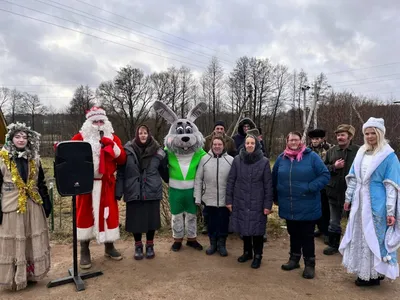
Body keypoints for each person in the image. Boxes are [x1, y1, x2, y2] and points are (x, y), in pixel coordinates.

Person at [340, 117, 400, 286]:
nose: (369, 136)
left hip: (377, 205)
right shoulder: (361, 152)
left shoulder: (389, 157)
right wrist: (348, 197)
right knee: (360, 234)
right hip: (360, 203)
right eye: (367, 133)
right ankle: (365, 270)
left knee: (375, 237)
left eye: (373, 132)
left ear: (380, 133)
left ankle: (375, 274)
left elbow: (391, 187)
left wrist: (390, 211)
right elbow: (353, 178)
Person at [71, 106, 127, 269]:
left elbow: (122, 159)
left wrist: (112, 147)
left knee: (108, 215)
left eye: (101, 121)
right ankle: (84, 249)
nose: (99, 124)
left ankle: (109, 247)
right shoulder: (80, 137)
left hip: (106, 184)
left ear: (106, 122)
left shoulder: (113, 138)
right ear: (89, 122)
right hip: (86, 184)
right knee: (85, 215)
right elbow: (69, 155)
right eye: (95, 121)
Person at [0, 122, 52, 291]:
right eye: (17, 136)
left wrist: (46, 201)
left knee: (30, 240)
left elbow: (41, 182)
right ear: (11, 138)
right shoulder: (2, 158)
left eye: (24, 137)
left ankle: (30, 274)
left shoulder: (34, 159)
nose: (21, 140)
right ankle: (15, 277)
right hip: (11, 205)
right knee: (14, 241)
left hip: (32, 205)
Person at [272, 131, 330, 279]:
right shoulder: (281, 158)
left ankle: (310, 264)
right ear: (287, 141)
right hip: (289, 204)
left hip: (307, 204)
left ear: (301, 141)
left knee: (307, 236)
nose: (293, 142)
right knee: (293, 233)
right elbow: (274, 179)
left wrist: (310, 187)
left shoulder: (311, 157)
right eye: (291, 140)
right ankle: (294, 259)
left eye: (296, 140)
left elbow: (325, 175)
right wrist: (275, 197)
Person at [116, 125, 168, 260]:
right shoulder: (127, 150)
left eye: (145, 133)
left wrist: (173, 181)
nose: (143, 135)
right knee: (135, 220)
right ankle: (138, 246)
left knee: (152, 219)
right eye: (140, 133)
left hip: (152, 189)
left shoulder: (159, 151)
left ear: (149, 134)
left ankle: (150, 245)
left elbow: (164, 171)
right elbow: (121, 172)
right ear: (136, 135)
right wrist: (118, 191)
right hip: (133, 189)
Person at [226, 134, 273, 269]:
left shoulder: (264, 162)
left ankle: (258, 255)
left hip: (257, 202)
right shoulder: (237, 160)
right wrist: (229, 200)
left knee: (257, 230)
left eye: (252, 143)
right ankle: (247, 252)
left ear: (256, 145)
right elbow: (231, 181)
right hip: (240, 199)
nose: (250, 145)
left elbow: (268, 185)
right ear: (244, 145)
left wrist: (267, 205)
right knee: (244, 228)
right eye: (248, 143)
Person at [323, 124, 359, 256]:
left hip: (354, 194)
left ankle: (352, 247)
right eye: (338, 135)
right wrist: (334, 166)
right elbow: (322, 169)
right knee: (333, 221)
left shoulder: (359, 151)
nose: (340, 137)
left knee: (353, 221)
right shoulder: (331, 151)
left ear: (349, 136)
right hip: (334, 191)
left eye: (342, 135)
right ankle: (333, 245)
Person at [195, 136, 233, 256]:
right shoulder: (204, 159)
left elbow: (234, 181)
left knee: (223, 223)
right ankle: (213, 244)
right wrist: (198, 197)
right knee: (211, 223)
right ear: (211, 146)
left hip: (224, 200)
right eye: (215, 144)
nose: (217, 146)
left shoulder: (230, 160)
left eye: (219, 144)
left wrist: (233, 198)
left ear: (223, 146)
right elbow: (198, 179)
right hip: (208, 199)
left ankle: (222, 244)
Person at [202, 120, 236, 235]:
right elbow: (202, 154)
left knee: (224, 202)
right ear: (214, 129)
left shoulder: (230, 141)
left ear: (224, 130)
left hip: (225, 168)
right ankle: (206, 224)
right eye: (218, 128)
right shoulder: (206, 140)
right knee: (208, 203)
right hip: (209, 170)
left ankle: (226, 227)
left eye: (222, 128)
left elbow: (234, 154)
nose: (220, 130)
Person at [308, 128, 332, 244]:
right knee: (315, 207)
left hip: (327, 184)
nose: (314, 141)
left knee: (326, 209)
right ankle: (320, 228)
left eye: (317, 139)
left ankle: (327, 232)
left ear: (322, 139)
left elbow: (332, 166)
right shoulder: (308, 150)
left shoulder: (330, 149)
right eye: (312, 139)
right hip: (313, 183)